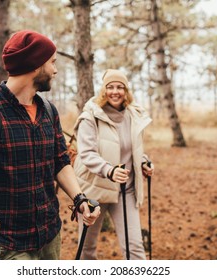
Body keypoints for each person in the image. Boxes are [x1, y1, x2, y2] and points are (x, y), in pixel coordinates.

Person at [0, 30, 100, 260]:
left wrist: (79, 198)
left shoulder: (48, 111)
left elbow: (60, 161)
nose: (55, 69)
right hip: (8, 243)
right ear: (35, 65)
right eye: (52, 63)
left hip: (50, 234)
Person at [73, 69, 154, 260]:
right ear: (103, 90)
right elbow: (86, 153)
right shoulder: (90, 117)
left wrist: (144, 162)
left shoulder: (133, 115)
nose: (115, 91)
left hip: (126, 190)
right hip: (95, 191)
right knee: (87, 248)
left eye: (120, 87)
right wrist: (109, 171)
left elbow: (131, 150)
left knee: (135, 247)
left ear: (126, 91)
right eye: (110, 87)